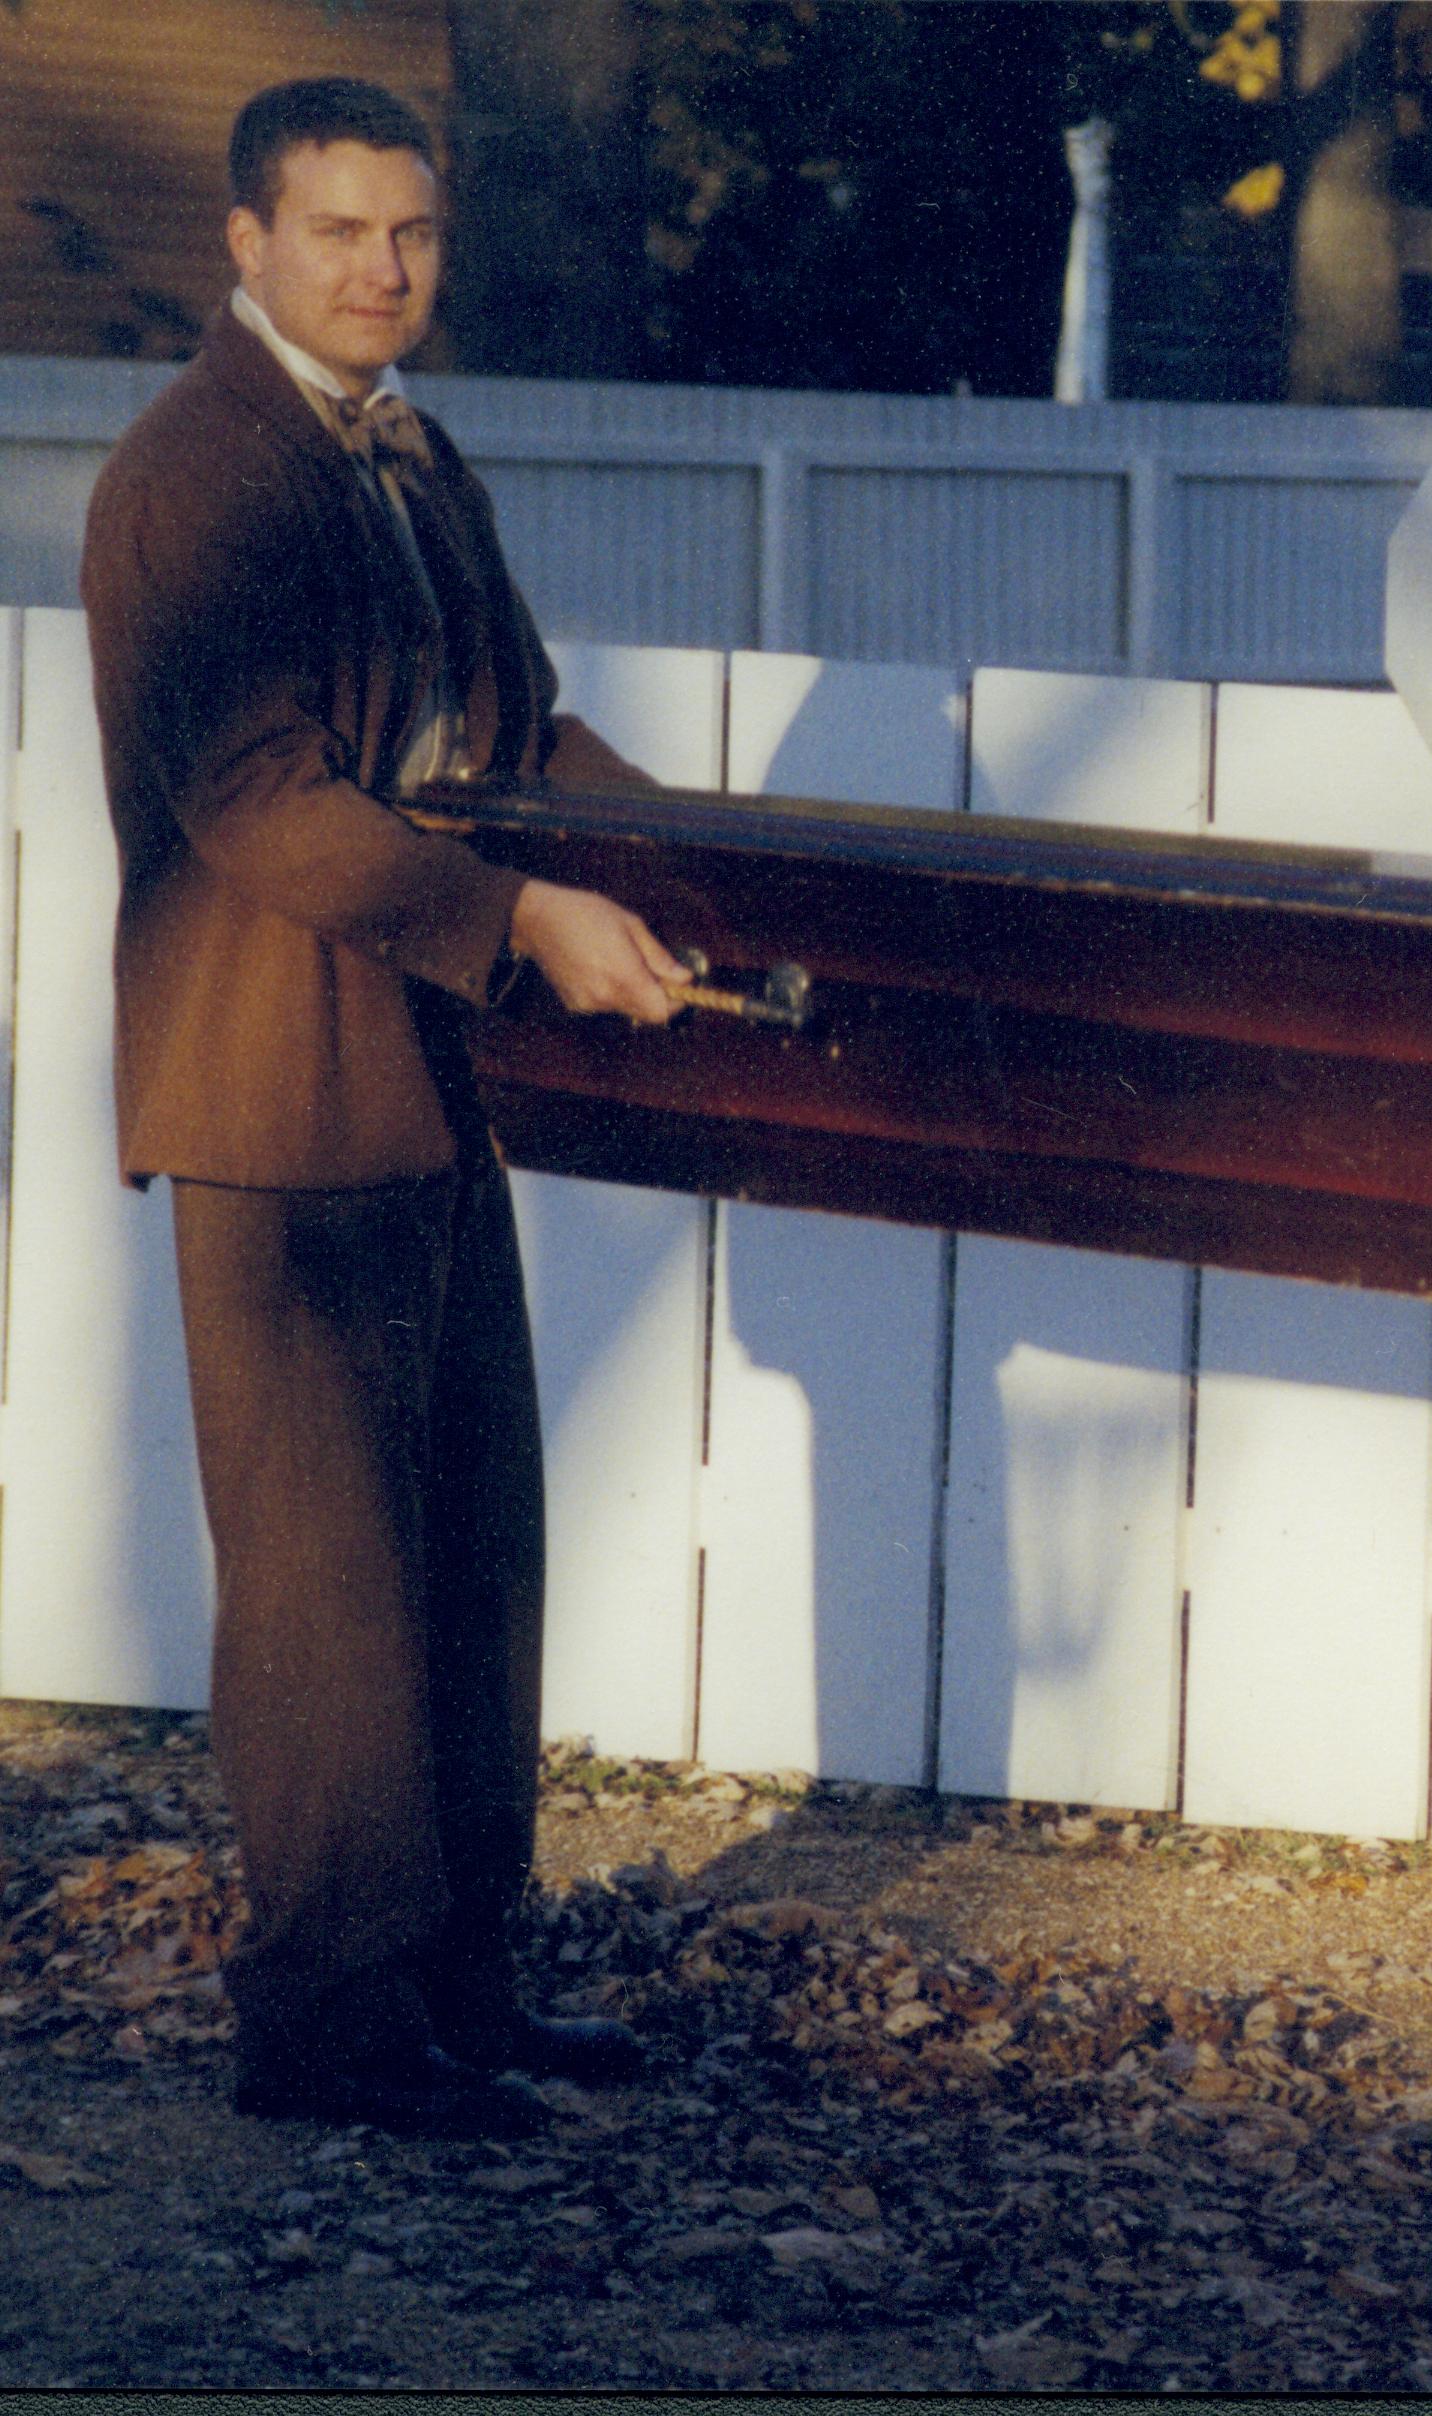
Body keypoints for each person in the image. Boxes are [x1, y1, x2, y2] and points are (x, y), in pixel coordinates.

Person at [79, 77, 694, 2139]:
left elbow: (512, 725)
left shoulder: (412, 457)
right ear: (246, 245)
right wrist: (521, 909)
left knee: (469, 1552)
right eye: (339, 233)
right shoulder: (195, 474)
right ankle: (328, 2028)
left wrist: (698, 865)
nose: (383, 270)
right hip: (275, 1085)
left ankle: (457, 1981)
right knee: (331, 1585)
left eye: (411, 234)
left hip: (429, 1071)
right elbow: (249, 790)